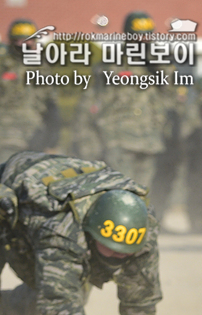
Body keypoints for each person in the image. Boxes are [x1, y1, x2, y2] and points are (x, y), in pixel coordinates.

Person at [0, 151, 162, 315]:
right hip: (6, 198)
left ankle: (13, 307)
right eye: (111, 249)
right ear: (90, 235)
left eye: (125, 252)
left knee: (76, 288)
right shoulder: (63, 232)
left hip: (63, 192)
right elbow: (60, 302)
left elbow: (141, 302)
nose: (118, 257)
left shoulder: (142, 231)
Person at [72, 12, 168, 189]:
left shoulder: (156, 63)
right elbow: (91, 101)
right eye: (139, 35)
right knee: (122, 191)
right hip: (118, 140)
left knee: (144, 193)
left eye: (148, 35)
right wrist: (88, 140)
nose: (144, 40)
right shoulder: (112, 62)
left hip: (149, 141)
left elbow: (169, 90)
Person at [0, 19, 61, 167]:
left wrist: (53, 138)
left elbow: (51, 104)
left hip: (34, 135)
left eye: (28, 40)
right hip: (1, 137)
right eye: (19, 40)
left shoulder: (41, 67)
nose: (24, 45)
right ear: (11, 41)